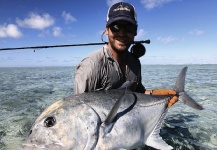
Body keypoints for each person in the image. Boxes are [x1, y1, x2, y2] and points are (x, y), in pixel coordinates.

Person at [74, 2, 178, 107]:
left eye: (128, 27)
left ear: (135, 31)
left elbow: (137, 93)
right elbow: (79, 111)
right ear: (107, 30)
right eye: (116, 26)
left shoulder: (135, 62)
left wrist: (154, 94)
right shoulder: (90, 66)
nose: (122, 33)